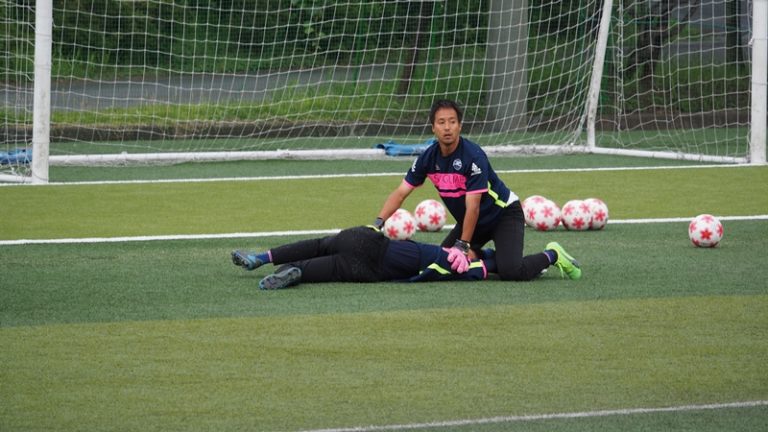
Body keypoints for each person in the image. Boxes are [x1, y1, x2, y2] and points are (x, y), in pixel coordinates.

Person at [374, 99, 581, 281]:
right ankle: (493, 257)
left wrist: (463, 245)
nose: (447, 128)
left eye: (452, 122)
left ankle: (552, 255)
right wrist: (377, 224)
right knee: (443, 264)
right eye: (441, 122)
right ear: (433, 128)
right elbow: (400, 193)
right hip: (473, 222)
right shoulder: (428, 158)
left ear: (460, 126)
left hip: (503, 214)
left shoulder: (473, 157)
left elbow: (473, 207)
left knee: (512, 272)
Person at [231, 226, 495, 290]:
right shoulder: (450, 265)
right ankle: (294, 271)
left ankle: (261, 257)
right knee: (327, 269)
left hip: (364, 238)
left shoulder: (442, 253)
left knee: (319, 245)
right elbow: (489, 266)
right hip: (368, 267)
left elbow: (485, 262)